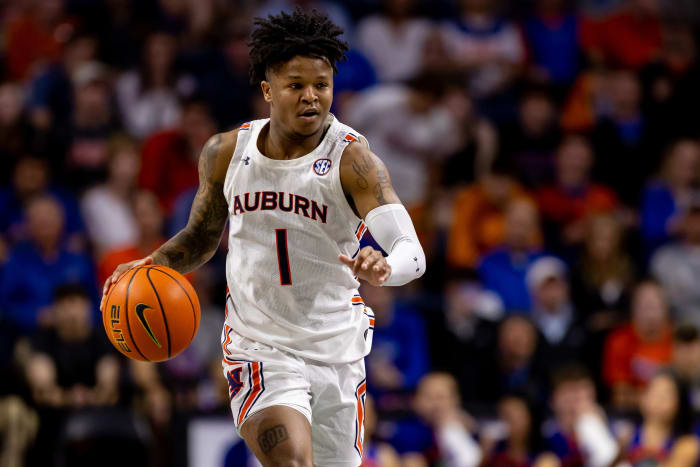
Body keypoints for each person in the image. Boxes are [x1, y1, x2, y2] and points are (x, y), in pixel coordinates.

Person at [102, 9, 426, 467]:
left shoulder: (353, 161)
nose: (312, 97)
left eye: (322, 85)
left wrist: (386, 266)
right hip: (260, 347)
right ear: (268, 91)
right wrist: (152, 264)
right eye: (296, 85)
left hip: (337, 350)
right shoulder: (225, 153)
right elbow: (201, 237)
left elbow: (413, 253)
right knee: (292, 461)